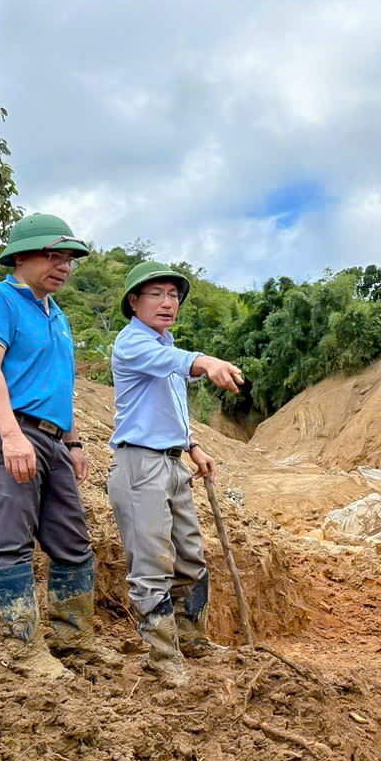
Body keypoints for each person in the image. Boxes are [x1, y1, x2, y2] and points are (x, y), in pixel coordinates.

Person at [0, 213, 118, 679]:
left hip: (51, 441)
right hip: (5, 434)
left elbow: (61, 385)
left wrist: (73, 442)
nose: (64, 266)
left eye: (69, 258)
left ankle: (73, 637)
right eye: (53, 255)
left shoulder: (59, 317)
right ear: (21, 256)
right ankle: (23, 649)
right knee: (11, 543)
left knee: (73, 542)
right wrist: (10, 435)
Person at [107, 262, 244, 686]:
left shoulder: (165, 344)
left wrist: (192, 446)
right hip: (139, 465)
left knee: (189, 555)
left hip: (171, 461)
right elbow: (178, 362)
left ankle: (191, 635)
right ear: (134, 302)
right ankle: (162, 657)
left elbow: (170, 407)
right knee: (151, 562)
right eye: (157, 294)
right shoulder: (133, 343)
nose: (168, 303)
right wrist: (208, 362)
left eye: (174, 295)